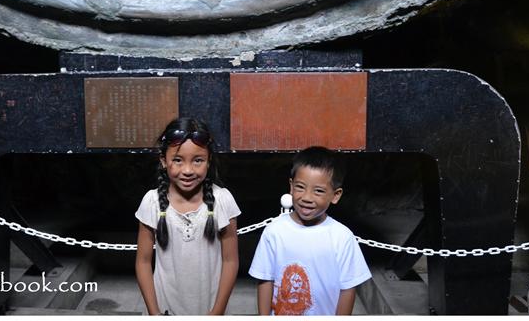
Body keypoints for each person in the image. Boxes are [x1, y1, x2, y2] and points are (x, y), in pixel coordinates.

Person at [135, 118, 240, 315]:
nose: (188, 170)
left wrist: (217, 312)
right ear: (163, 161)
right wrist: (154, 312)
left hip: (209, 308)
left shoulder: (222, 201)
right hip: (163, 309)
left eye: (198, 160)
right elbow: (142, 261)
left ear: (209, 161)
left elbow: (230, 260)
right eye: (177, 160)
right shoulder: (152, 202)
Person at [249, 146, 371, 315]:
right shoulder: (274, 231)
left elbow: (348, 289)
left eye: (318, 191)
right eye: (300, 187)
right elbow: (265, 280)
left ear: (335, 195)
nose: (307, 198)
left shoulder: (342, 237)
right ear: (291, 187)